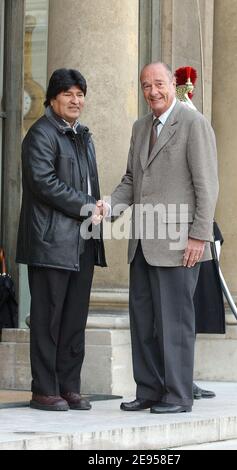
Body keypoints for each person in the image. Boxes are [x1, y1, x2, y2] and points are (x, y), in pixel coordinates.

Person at [99, 62, 219, 413]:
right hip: (142, 243)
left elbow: (207, 187)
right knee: (144, 323)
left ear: (172, 84)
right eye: (145, 86)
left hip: (181, 246)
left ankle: (179, 395)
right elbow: (130, 181)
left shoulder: (193, 123)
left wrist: (199, 236)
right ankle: (149, 389)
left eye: (158, 84)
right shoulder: (140, 127)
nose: (152, 91)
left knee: (175, 324)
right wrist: (108, 206)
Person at [16, 68, 106, 411]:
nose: (76, 100)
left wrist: (99, 208)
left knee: (73, 320)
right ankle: (44, 389)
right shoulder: (40, 134)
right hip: (50, 242)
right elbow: (44, 182)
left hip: (82, 240)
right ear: (53, 98)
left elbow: (88, 185)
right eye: (68, 94)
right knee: (47, 320)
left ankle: (69, 386)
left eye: (80, 94)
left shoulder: (82, 135)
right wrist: (87, 206)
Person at [174, 66, 225, 400]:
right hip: (164, 232)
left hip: (194, 233)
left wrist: (205, 231)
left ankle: (183, 379)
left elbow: (205, 184)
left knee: (186, 312)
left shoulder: (197, 125)